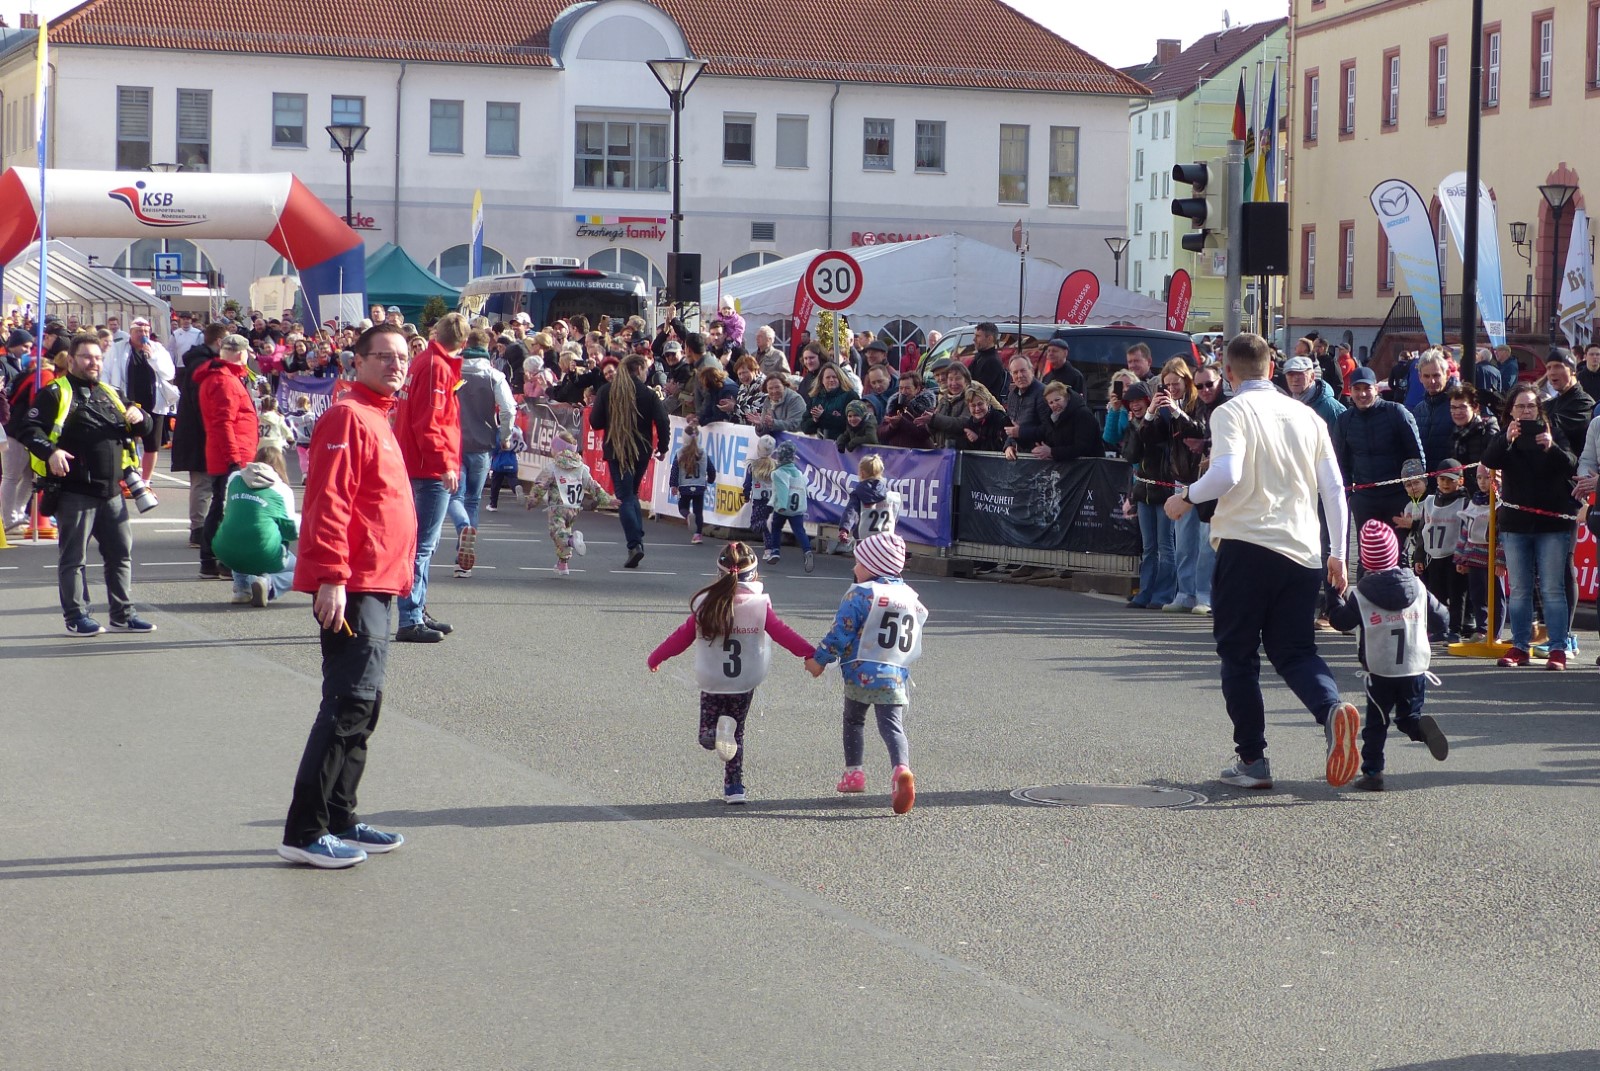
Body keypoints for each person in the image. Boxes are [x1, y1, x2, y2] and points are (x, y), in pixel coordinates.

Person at [1164, 333, 1359, 790]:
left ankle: (1252, 759)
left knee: (1238, 654)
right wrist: (1339, 553)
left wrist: (1186, 497)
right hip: (1303, 550)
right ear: (1272, 369)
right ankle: (1331, 709)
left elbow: (1227, 473)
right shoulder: (1308, 416)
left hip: (1247, 544)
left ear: (1229, 373)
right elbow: (1334, 489)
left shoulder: (1231, 411)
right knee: (1295, 650)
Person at [278, 323, 414, 869]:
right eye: (384, 356)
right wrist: (332, 575)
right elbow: (329, 499)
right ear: (357, 362)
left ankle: (340, 816)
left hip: (379, 579)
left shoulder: (377, 416)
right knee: (347, 703)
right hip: (355, 581)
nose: (396, 364)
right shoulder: (347, 416)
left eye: (402, 356)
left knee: (365, 705)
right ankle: (305, 831)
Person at [647, 541, 814, 804]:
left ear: (719, 573)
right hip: (744, 680)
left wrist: (657, 656)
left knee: (707, 736)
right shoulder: (759, 605)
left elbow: (681, 637)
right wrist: (810, 652)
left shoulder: (707, 605)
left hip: (713, 678)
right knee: (737, 735)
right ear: (754, 574)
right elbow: (784, 633)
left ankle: (713, 734)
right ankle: (734, 788)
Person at [17, 331, 159, 635]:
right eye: (86, 357)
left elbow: (144, 428)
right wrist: (51, 452)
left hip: (112, 491)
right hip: (74, 490)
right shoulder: (55, 393)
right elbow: (29, 429)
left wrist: (141, 415)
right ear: (71, 360)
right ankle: (77, 616)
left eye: (97, 357)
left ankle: (123, 614)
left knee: (120, 555)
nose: (93, 362)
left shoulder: (111, 392)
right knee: (74, 559)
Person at [805, 532, 925, 815]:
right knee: (892, 727)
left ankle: (854, 774)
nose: (854, 567)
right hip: (895, 674)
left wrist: (819, 660)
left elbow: (840, 633)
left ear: (873, 566)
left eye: (858, 562)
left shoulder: (860, 595)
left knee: (854, 720)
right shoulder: (910, 597)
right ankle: (901, 769)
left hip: (860, 671)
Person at [1326, 520, 1451, 791]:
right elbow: (1442, 618)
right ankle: (1418, 727)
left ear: (1366, 561)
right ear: (1395, 554)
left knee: (1377, 723)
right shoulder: (1417, 587)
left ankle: (1373, 773)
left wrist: (1333, 595)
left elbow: (1340, 621)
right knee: (1407, 716)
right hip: (1415, 666)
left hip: (1380, 669)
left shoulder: (1361, 595)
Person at [1482, 385, 1577, 668]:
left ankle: (1558, 648)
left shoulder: (1553, 431)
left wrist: (1552, 447)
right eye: (1520, 407)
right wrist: (1506, 440)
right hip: (1516, 524)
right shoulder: (1506, 436)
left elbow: (1571, 465)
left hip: (1552, 523)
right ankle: (1520, 647)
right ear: (1511, 411)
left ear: (1539, 410)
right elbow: (1489, 461)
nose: (1526, 411)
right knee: (1520, 589)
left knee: (1552, 589)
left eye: (1531, 406)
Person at [393, 313, 467, 642]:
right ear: (463, 342)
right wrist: (444, 463)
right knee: (422, 546)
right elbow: (430, 422)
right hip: (427, 467)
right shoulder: (437, 367)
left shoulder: (426, 360)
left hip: (418, 462)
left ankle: (417, 609)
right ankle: (410, 617)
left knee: (422, 544)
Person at [590, 352, 670, 568]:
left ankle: (634, 543)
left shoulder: (607, 390)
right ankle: (637, 537)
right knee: (631, 493)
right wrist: (663, 447)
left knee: (625, 495)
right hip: (641, 450)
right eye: (646, 370)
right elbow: (663, 421)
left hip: (617, 450)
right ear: (639, 369)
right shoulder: (648, 393)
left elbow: (595, 422)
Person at [1333, 367, 1424, 557]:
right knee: (1368, 555)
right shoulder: (1344, 420)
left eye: (1367, 388)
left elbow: (1415, 454)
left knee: (1398, 555)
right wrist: (1349, 496)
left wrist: (1416, 494)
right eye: (1357, 389)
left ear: (1376, 388)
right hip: (1365, 499)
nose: (1362, 394)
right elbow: (1341, 462)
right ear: (1351, 391)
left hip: (1397, 496)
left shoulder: (1396, 412)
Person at [449, 327, 516, 579]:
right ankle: (463, 562)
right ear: (488, 347)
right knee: (473, 500)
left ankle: (463, 527)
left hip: (454, 442)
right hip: (482, 444)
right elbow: (509, 409)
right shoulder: (494, 376)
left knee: (454, 496)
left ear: (465, 345)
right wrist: (505, 435)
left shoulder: (452, 372)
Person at [194, 334, 258, 581]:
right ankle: (218, 560)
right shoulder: (225, 380)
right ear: (241, 354)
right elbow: (223, 423)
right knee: (226, 509)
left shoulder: (221, 377)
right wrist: (233, 459)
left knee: (222, 506)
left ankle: (212, 560)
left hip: (228, 452)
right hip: (232, 453)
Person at [212, 442, 299, 608]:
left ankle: (242, 589)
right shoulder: (282, 490)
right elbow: (291, 531)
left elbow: (226, 509)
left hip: (224, 549)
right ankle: (270, 584)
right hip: (263, 553)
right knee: (304, 570)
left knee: (240, 530)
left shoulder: (235, 478)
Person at [102, 317, 177, 486]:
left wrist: (153, 358)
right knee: (128, 442)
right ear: (131, 332)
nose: (143, 334)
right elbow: (106, 372)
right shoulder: (118, 348)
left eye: (146, 331)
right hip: (127, 403)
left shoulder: (157, 349)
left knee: (152, 445)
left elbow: (169, 373)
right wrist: (108, 394)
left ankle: (146, 481)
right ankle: (129, 477)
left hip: (153, 402)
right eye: (138, 331)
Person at [526, 437, 617, 576]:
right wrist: (607, 500)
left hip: (557, 507)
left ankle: (571, 541)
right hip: (574, 508)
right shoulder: (581, 468)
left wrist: (532, 501)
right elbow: (592, 485)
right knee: (565, 531)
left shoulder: (553, 467)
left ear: (558, 450)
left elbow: (540, 485)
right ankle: (563, 564)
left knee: (557, 533)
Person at [1121, 383, 1175, 609]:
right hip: (1143, 491)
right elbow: (1131, 456)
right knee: (1149, 547)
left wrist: (1148, 420)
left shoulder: (1161, 422)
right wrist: (1136, 428)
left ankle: (1163, 595)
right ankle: (1145, 592)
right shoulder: (1132, 426)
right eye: (1131, 402)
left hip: (1164, 490)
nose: (1135, 405)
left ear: (1148, 401)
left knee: (1165, 546)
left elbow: (1157, 444)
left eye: (1139, 401)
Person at [1453, 462, 1505, 643]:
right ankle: (1482, 629)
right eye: (1479, 478)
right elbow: (1465, 530)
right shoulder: (1473, 502)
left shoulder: (1501, 504)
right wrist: (1461, 557)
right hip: (1474, 557)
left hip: (1492, 559)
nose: (1482, 482)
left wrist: (1501, 561)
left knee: (1496, 596)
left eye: (1487, 478)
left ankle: (1495, 633)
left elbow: (1503, 534)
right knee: (1477, 596)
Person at [836, 453, 902, 554]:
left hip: (863, 542)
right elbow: (894, 517)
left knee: (863, 563)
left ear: (862, 473)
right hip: (884, 541)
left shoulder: (858, 494)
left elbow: (850, 512)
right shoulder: (890, 496)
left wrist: (844, 530)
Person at [767, 440, 815, 570]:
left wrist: (781, 505)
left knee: (776, 527)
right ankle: (807, 551)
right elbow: (804, 490)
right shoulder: (800, 474)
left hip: (783, 508)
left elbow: (783, 488)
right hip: (797, 508)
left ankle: (775, 551)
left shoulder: (778, 473)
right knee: (799, 530)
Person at [669, 419, 715, 544]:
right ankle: (698, 535)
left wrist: (673, 485)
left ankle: (688, 515)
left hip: (685, 486)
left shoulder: (680, 453)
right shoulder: (703, 453)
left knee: (682, 507)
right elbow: (711, 469)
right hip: (699, 486)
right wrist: (711, 479)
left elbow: (675, 470)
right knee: (698, 511)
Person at [1032, 380, 1101, 462]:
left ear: (1067, 397)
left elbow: (1083, 447)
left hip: (1089, 465)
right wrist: (1041, 449)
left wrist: (1052, 452)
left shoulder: (1083, 414)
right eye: (1051, 403)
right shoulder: (1051, 418)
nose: (1054, 405)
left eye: (1057, 400)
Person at [1001, 355, 1051, 458]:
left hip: (1040, 457)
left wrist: (1021, 432)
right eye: (1015, 372)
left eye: (1023, 370)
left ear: (1031, 371)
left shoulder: (1043, 393)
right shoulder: (1012, 395)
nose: (1020, 375)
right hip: (1020, 457)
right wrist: (1008, 446)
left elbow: (1049, 429)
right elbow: (1012, 427)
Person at [801, 363, 858, 438]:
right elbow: (804, 427)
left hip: (842, 442)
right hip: (819, 443)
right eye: (827, 377)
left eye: (834, 377)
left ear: (840, 379)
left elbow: (851, 424)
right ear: (822, 380)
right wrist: (815, 420)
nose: (831, 380)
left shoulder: (850, 396)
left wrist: (823, 416)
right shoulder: (815, 398)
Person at [960, 384, 1009, 452]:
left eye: (980, 404)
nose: (977, 409)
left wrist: (977, 440)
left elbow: (1003, 446)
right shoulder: (969, 424)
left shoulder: (1001, 419)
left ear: (987, 403)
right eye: (973, 406)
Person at [967, 322, 1007, 399]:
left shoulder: (992, 362)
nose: (974, 339)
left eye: (978, 336)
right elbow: (967, 377)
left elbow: (978, 389)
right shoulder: (979, 356)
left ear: (989, 339)